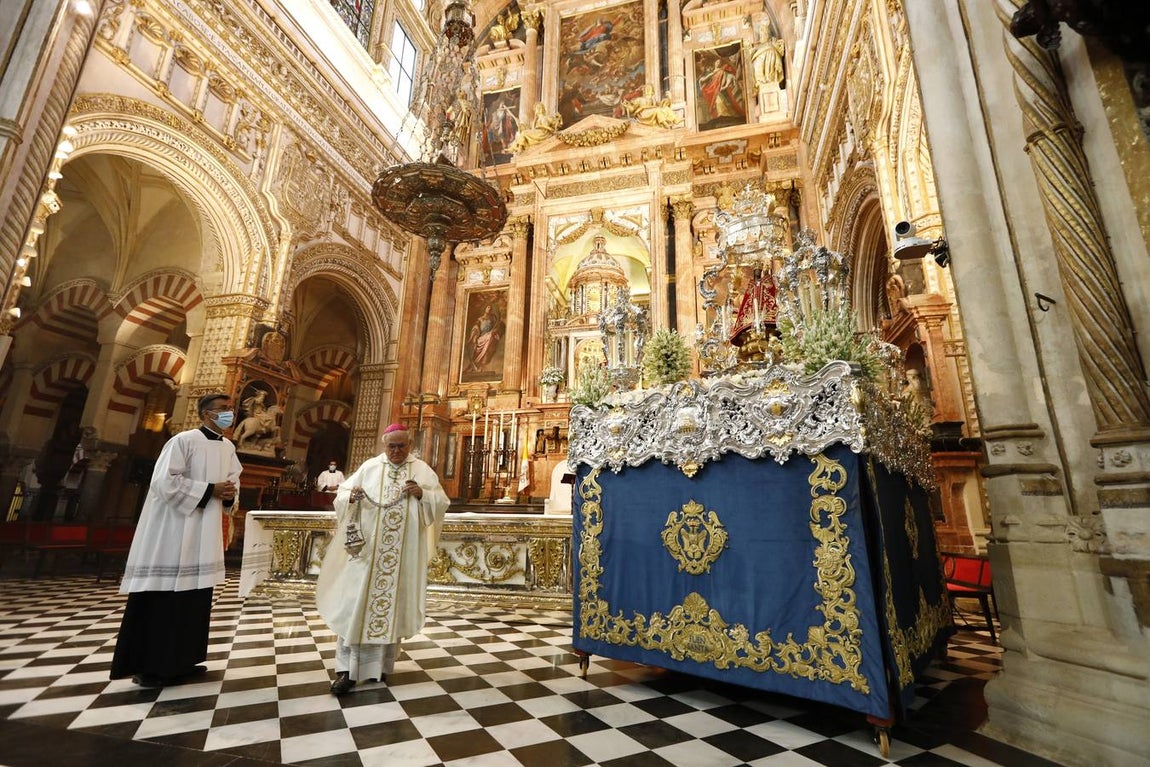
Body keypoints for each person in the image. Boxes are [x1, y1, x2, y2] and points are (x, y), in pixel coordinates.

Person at [110, 393, 242, 688]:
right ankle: (151, 667)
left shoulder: (229, 447)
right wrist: (209, 489)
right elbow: (164, 482)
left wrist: (229, 493)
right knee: (164, 596)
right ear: (206, 413)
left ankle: (182, 662)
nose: (228, 414)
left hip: (203, 532)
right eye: (223, 409)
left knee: (194, 597)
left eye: (230, 409)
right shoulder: (182, 441)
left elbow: (234, 481)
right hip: (172, 532)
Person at [316, 424, 450, 695]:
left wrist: (423, 494)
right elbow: (342, 494)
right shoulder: (369, 467)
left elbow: (441, 502)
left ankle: (377, 669)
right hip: (365, 555)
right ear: (384, 445)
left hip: (398, 558)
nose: (397, 451)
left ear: (409, 445)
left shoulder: (421, 470)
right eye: (392, 446)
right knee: (354, 607)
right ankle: (345, 670)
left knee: (388, 607)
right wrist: (350, 496)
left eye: (402, 446)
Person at [699, 56, 746, 125]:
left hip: (720, 90)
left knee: (721, 102)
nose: (718, 63)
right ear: (714, 63)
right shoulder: (713, 72)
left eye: (719, 62)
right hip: (714, 89)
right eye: (717, 62)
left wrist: (723, 86)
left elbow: (725, 79)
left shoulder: (721, 71)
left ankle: (724, 115)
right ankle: (721, 116)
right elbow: (706, 80)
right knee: (718, 103)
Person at [467, 304, 504, 372]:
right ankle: (476, 366)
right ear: (485, 309)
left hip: (489, 337)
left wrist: (496, 330)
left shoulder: (493, 318)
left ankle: (481, 367)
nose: (489, 309)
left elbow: (496, 326)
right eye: (488, 307)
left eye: (490, 308)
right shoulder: (480, 319)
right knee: (490, 336)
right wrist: (474, 336)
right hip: (481, 338)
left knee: (490, 337)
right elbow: (475, 328)